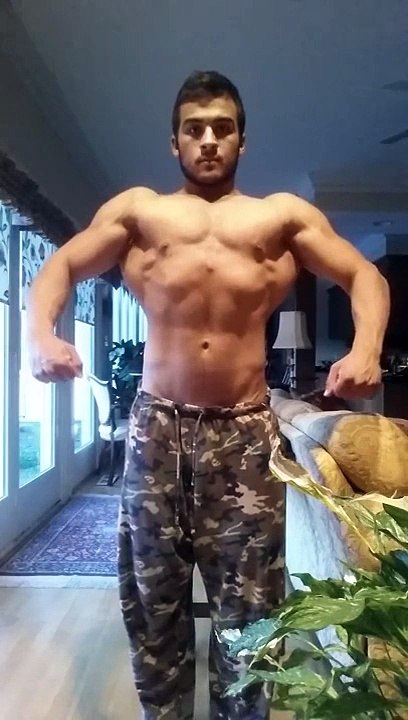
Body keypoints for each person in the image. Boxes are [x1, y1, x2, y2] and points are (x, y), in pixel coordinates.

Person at [27, 70, 390, 720]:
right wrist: (39, 336)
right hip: (157, 433)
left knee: (251, 614)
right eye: (194, 129)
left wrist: (366, 349)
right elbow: (63, 264)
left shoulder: (279, 217)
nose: (209, 140)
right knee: (152, 603)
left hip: (244, 434)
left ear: (242, 141)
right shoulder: (139, 212)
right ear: (175, 142)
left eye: (223, 128)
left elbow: (363, 274)